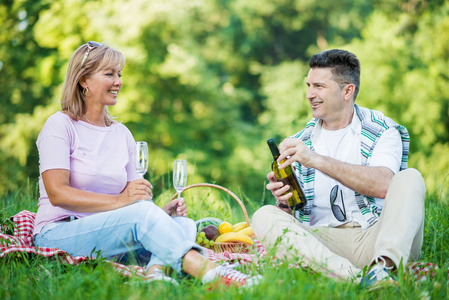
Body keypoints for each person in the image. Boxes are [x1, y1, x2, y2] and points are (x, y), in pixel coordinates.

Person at [32, 41, 262, 288]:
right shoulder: (60, 125)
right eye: (109, 74)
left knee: (182, 223)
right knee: (146, 216)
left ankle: (154, 276)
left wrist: (158, 214)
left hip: (109, 233)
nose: (118, 81)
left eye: (119, 74)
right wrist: (123, 203)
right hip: (60, 233)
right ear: (83, 80)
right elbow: (57, 194)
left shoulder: (122, 134)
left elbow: (136, 202)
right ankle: (215, 275)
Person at [252, 49, 425, 288]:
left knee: (411, 178)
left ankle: (384, 268)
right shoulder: (300, 142)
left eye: (319, 86)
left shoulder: (383, 130)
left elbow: (384, 184)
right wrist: (283, 203)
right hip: (324, 245)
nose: (309, 94)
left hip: (377, 237)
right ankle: (359, 280)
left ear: (347, 91)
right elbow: (289, 225)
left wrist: (316, 160)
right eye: (309, 85)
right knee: (264, 217)